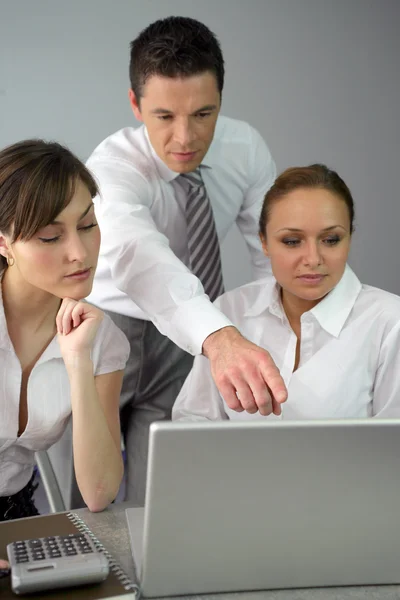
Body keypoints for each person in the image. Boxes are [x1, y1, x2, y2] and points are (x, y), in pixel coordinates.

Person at [78, 15, 287, 505]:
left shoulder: (246, 148)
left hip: (187, 329)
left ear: (220, 101)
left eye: (202, 114)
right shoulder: (111, 168)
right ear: (135, 104)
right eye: (164, 116)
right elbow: (140, 257)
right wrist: (220, 337)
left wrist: (274, 333)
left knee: (164, 488)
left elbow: (271, 251)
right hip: (106, 324)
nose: (185, 138)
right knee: (87, 491)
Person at [173, 164, 400, 421]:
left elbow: (392, 448)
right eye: (292, 241)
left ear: (349, 237)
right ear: (264, 243)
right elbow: (193, 423)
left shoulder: (390, 323)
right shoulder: (230, 311)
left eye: (331, 239)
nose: (313, 259)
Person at [0, 139, 130, 522]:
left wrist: (77, 361)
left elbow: (100, 492)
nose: (80, 252)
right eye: (50, 237)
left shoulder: (100, 338)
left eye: (88, 225)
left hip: (14, 514)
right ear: (4, 244)